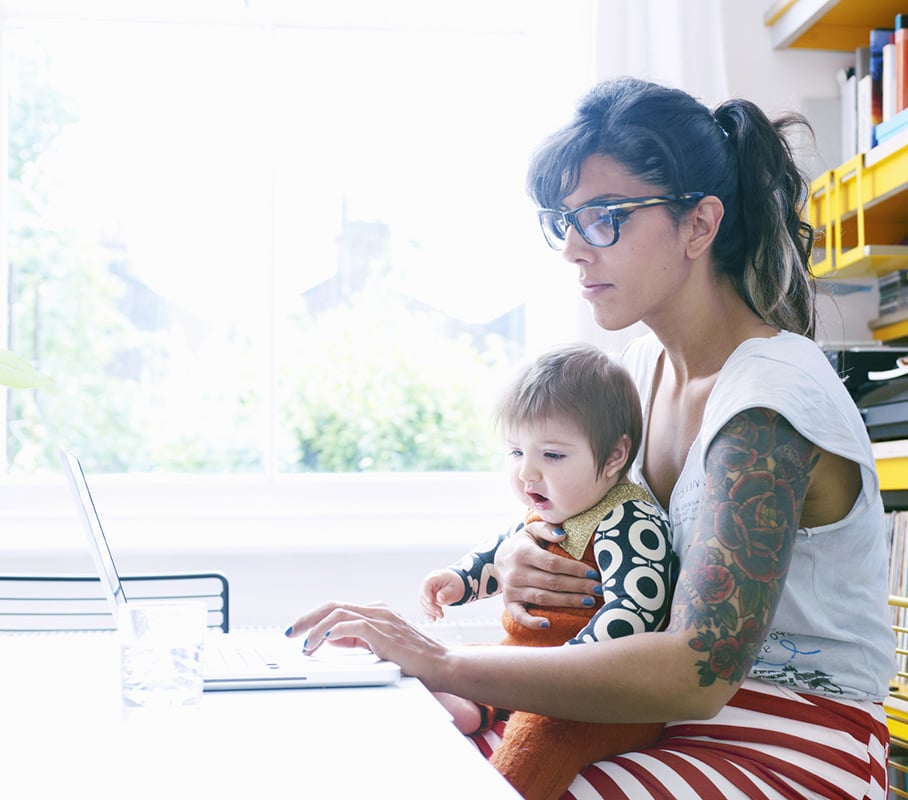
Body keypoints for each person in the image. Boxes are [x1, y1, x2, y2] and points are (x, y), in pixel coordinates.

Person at [286, 77, 897, 799]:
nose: (574, 248)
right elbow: (597, 527)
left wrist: (441, 659)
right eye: (564, 220)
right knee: (398, 749)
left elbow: (698, 672)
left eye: (605, 216)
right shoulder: (639, 372)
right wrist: (525, 555)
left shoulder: (766, 404)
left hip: (790, 733)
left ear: (699, 226)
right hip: (652, 713)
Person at [419, 342, 672, 800]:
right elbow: (500, 551)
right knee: (464, 661)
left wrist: (563, 667)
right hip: (532, 663)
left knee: (540, 733)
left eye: (552, 456)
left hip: (593, 696)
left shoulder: (629, 520)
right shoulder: (555, 504)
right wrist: (457, 581)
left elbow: (637, 611)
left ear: (615, 457)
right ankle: (475, 706)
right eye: (516, 452)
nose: (527, 474)